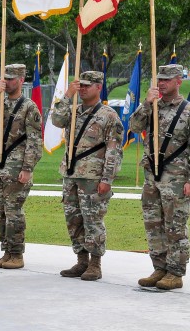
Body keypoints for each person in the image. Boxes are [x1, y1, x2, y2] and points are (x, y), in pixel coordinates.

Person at [51, 71, 123, 281]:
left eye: (87, 86)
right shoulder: (73, 112)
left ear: (98, 87)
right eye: (80, 85)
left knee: (93, 220)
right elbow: (56, 120)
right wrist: (66, 96)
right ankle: (81, 260)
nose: (82, 89)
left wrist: (106, 179)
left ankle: (95, 263)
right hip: (71, 173)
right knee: (73, 219)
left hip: (93, 177)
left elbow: (114, 150)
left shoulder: (108, 116)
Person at [130, 64, 190, 290]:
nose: (162, 83)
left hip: (176, 177)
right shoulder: (152, 107)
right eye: (159, 79)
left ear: (178, 82)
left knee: (175, 226)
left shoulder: (187, 110)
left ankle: (175, 272)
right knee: (153, 224)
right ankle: (160, 267)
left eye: (167, 79)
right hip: (152, 177)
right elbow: (134, 127)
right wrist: (146, 103)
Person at [0, 64, 42, 269]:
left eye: (11, 79)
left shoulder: (29, 107)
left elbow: (34, 141)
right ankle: (6, 250)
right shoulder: (0, 103)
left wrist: (27, 168)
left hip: (17, 166)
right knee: (1, 210)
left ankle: (17, 253)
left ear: (21, 80)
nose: (7, 82)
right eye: (4, 79)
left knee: (13, 211)